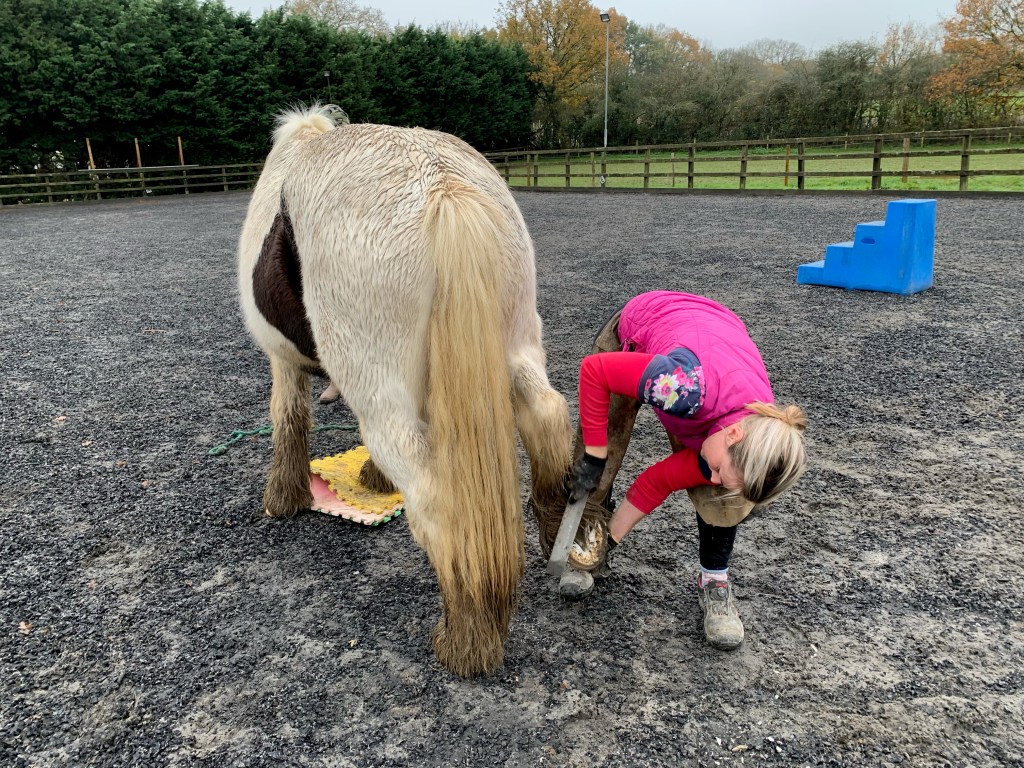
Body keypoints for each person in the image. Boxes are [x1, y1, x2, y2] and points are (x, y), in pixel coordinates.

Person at [562, 290, 807, 650]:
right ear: (734, 434)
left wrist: (610, 540)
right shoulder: (682, 388)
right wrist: (595, 456)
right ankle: (580, 542)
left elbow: (657, 481)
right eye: (721, 468)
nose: (712, 477)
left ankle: (714, 580)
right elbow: (594, 372)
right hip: (641, 328)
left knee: (723, 498)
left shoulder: (760, 432)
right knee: (598, 453)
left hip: (710, 338)